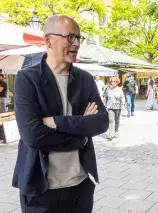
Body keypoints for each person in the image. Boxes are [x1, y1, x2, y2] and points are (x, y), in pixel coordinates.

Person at [12, 15, 109, 213]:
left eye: (79, 38)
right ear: (48, 40)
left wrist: (57, 121)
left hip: (80, 187)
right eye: (70, 37)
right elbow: (33, 136)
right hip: (40, 189)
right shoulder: (27, 79)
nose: (76, 43)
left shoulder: (85, 79)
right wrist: (81, 133)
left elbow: (102, 122)